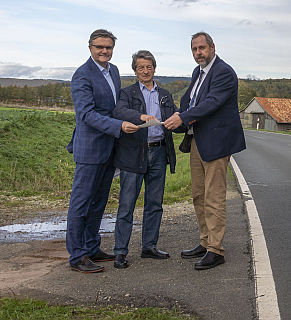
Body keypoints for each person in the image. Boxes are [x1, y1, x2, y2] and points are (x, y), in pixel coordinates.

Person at [66, 29, 139, 273]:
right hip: (89, 149)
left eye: (108, 47)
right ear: (90, 48)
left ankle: (91, 247)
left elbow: (115, 107)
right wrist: (119, 126)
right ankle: (77, 256)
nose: (104, 51)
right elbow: (86, 115)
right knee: (81, 203)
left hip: (110, 148)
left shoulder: (114, 71)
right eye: (99, 47)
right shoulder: (82, 76)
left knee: (99, 202)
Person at [173, 31, 246, 270]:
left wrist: (183, 117)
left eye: (202, 48)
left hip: (216, 143)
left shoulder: (223, 72)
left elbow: (211, 103)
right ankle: (205, 242)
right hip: (197, 141)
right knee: (198, 195)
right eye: (194, 49)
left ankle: (216, 250)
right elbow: (190, 100)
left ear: (212, 47)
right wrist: (177, 115)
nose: (198, 53)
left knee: (213, 198)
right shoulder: (198, 73)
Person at [111, 50, 179, 269]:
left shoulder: (165, 94)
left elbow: (176, 117)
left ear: (154, 68)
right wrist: (140, 116)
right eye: (141, 67)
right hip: (133, 153)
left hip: (159, 153)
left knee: (155, 203)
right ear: (135, 70)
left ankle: (149, 246)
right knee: (127, 204)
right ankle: (120, 251)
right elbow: (118, 111)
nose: (145, 71)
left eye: (149, 67)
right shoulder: (127, 93)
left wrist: (183, 121)